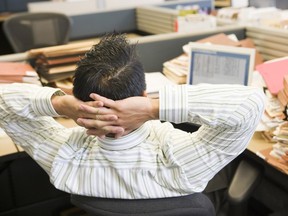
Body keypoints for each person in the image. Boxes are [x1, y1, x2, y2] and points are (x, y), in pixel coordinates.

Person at [0, 34, 265, 202]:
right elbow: (251, 104)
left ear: (78, 97)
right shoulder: (180, 161)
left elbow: (3, 103)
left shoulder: (64, 159)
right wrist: (153, 108)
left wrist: (58, 104)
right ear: (142, 93)